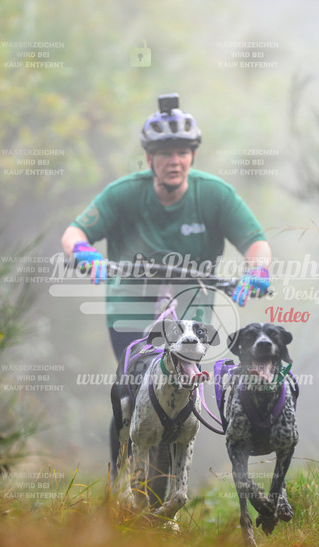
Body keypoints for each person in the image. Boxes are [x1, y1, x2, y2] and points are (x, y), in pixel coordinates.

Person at [61, 93, 272, 362]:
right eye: (165, 153)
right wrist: (83, 251)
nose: (174, 161)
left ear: (192, 156)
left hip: (192, 305)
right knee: (134, 376)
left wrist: (257, 270)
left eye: (182, 152)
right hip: (130, 306)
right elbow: (73, 233)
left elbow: (256, 243)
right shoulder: (123, 193)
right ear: (149, 159)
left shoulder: (215, 195)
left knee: (186, 377)